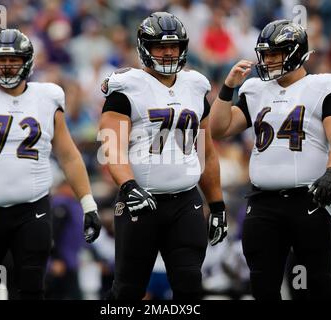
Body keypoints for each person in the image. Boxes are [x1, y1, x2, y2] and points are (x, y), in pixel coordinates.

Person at [0, 29, 101, 300]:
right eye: (1, 60)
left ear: (28, 61)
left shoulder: (47, 98)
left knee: (33, 288)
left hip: (33, 208)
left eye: (14, 59)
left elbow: (69, 155)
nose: (7, 66)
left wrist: (89, 205)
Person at [210, 20, 331, 300]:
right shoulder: (255, 90)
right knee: (263, 285)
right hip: (263, 203)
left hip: (308, 200)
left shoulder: (324, 86)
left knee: (319, 285)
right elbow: (219, 129)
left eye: (277, 52)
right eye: (266, 53)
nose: (269, 60)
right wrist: (228, 88)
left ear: (297, 52)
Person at [99, 12, 228, 300]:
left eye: (174, 46)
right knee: (128, 290)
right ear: (145, 48)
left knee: (190, 285)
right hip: (140, 202)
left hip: (186, 202)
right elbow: (112, 147)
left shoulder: (195, 85)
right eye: (160, 46)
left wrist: (217, 203)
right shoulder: (126, 87)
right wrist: (129, 187)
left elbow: (205, 150)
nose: (169, 52)